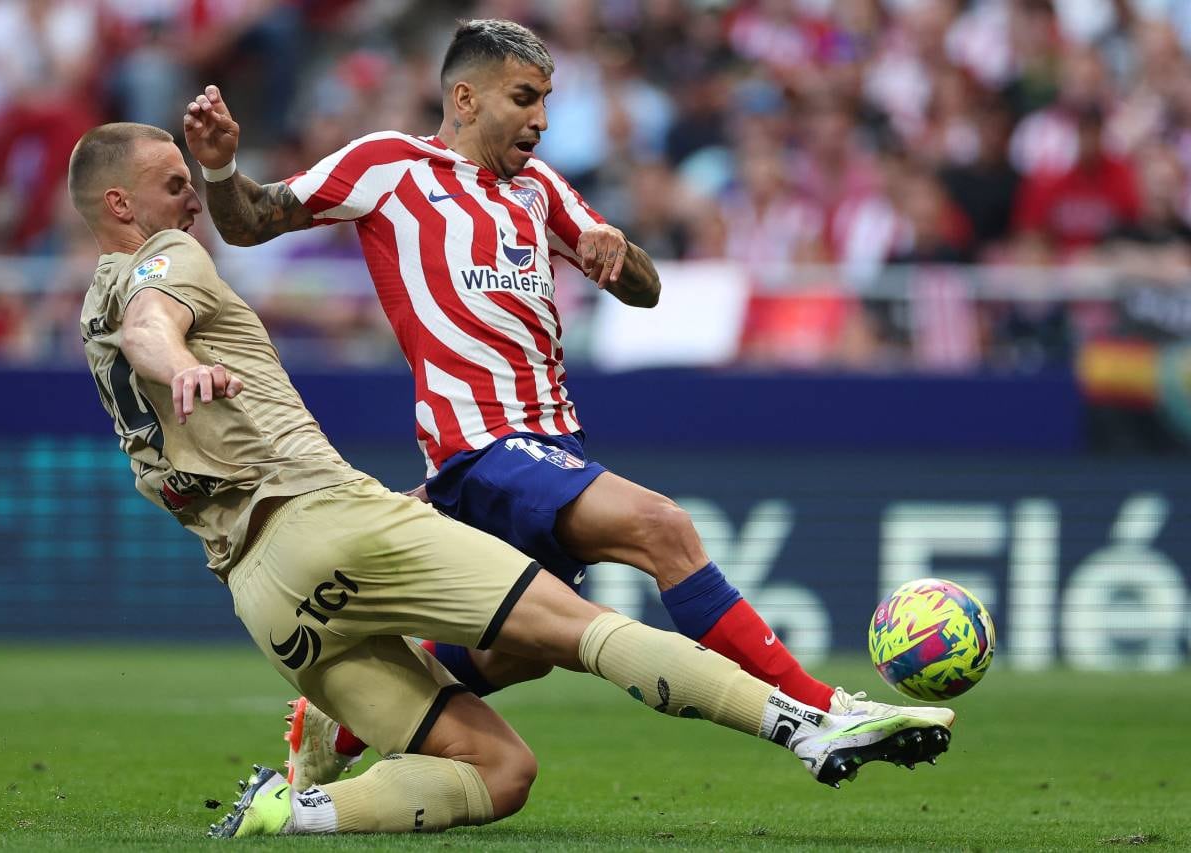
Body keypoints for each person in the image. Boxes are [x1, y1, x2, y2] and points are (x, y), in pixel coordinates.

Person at [68, 121, 955, 837]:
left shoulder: (88, 310)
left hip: (259, 595)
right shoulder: (173, 259)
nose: (189, 202)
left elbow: (640, 283)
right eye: (174, 185)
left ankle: (293, 806)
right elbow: (160, 317)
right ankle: (805, 720)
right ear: (120, 202)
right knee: (611, 593)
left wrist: (614, 246)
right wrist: (178, 351)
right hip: (356, 504)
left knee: (503, 766)